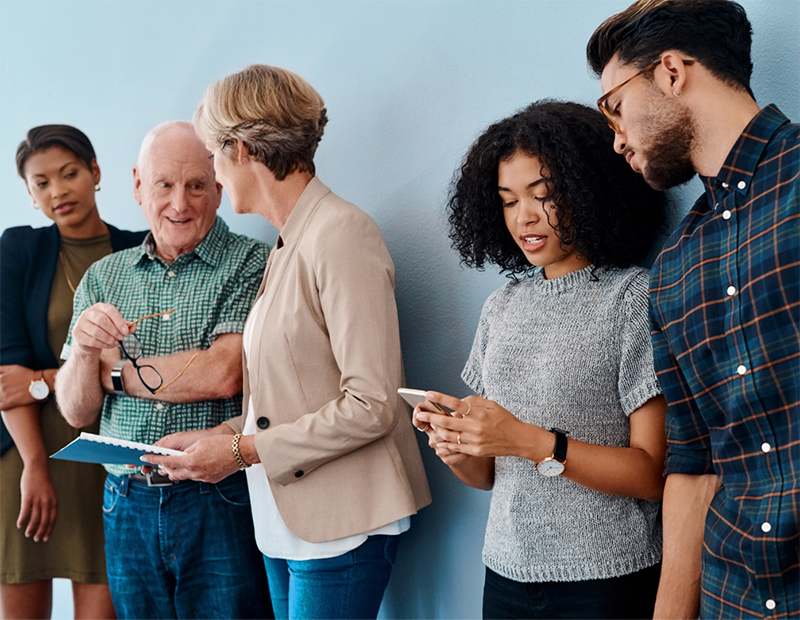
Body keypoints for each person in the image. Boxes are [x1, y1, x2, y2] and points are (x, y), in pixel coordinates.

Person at [143, 64, 432, 620]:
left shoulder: (341, 232)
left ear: (242, 149)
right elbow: (291, 396)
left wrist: (239, 452)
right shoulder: (288, 242)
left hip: (341, 524)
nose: (213, 172)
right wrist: (218, 437)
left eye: (213, 155)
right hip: (285, 524)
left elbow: (372, 403)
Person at [412, 101, 668, 620]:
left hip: (606, 581)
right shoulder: (502, 306)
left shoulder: (631, 299)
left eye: (543, 195)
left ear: (589, 190)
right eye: (508, 201)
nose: (523, 217)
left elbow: (651, 474)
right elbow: (489, 475)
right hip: (505, 574)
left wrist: (528, 440)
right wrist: (457, 446)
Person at [587, 1, 799, 618]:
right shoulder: (674, 267)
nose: (617, 138)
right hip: (733, 602)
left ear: (672, 72)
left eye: (614, 107)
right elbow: (693, 464)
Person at [55, 121, 272, 620]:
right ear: (137, 185)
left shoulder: (253, 263)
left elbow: (223, 373)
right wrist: (85, 353)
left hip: (218, 496)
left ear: (219, 188)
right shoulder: (102, 277)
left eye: (196, 185)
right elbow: (77, 411)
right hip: (124, 501)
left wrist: (114, 375)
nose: (180, 203)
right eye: (164, 184)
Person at [0, 125, 146, 620]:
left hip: (109, 463)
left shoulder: (138, 251)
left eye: (69, 174)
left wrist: (43, 379)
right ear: (29, 193)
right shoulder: (19, 249)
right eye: (41, 183)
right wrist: (35, 467)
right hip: (28, 458)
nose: (57, 191)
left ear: (95, 172)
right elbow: (7, 374)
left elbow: (138, 365)